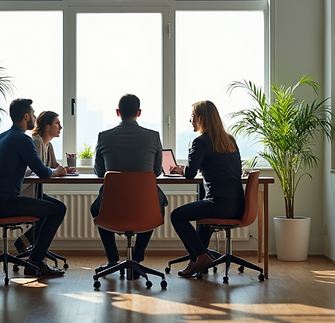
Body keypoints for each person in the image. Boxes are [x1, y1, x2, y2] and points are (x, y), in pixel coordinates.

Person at [0, 98, 68, 277]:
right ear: (25, 116)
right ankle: (35, 262)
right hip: (6, 203)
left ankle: (32, 253)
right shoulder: (23, 140)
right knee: (58, 209)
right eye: (32, 114)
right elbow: (43, 172)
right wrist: (57, 172)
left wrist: (54, 170)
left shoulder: (1, 137)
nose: (34, 117)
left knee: (45, 205)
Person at [91, 94, 168, 277]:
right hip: (145, 207)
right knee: (159, 203)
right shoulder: (154, 136)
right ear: (139, 112)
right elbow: (156, 172)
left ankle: (112, 259)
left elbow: (100, 172)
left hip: (112, 206)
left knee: (97, 208)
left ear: (118, 113)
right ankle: (138, 257)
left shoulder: (104, 137)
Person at [169, 100, 245, 278]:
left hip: (219, 204)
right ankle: (199, 261)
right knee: (201, 211)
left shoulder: (200, 142)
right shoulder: (229, 140)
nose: (190, 121)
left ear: (201, 118)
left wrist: (181, 170)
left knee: (176, 216)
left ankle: (201, 257)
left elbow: (189, 174)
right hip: (238, 206)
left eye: (192, 117)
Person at [16, 111, 76, 252]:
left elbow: (53, 166)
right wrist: (56, 171)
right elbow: (38, 170)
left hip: (35, 191)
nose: (60, 127)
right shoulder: (36, 142)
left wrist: (65, 169)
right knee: (55, 210)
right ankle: (36, 252)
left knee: (56, 209)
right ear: (47, 127)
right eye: (57, 123)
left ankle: (25, 243)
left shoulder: (48, 145)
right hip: (26, 191)